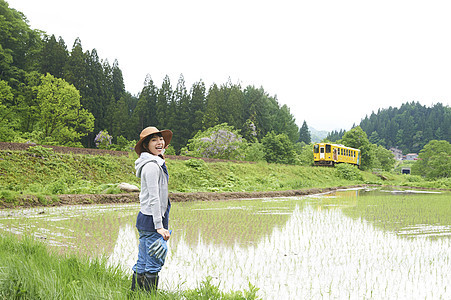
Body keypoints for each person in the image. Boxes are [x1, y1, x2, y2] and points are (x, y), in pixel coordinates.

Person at [131, 126, 172, 292]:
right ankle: (148, 296)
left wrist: (160, 151)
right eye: (154, 140)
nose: (159, 142)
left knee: (143, 261)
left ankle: (135, 294)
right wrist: (159, 226)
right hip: (152, 221)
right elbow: (155, 198)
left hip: (145, 219)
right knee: (154, 262)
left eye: (160, 139)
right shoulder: (152, 167)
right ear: (146, 146)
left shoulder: (153, 162)